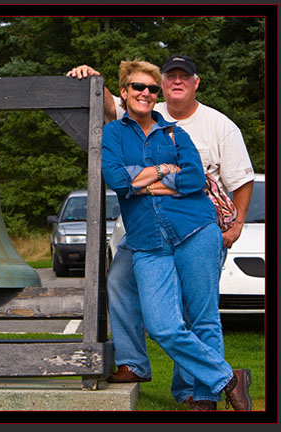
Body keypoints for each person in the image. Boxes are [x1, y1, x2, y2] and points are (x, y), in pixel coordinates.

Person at [69, 55, 255, 410]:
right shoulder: (113, 132)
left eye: (152, 88)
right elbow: (117, 179)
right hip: (147, 241)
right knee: (162, 324)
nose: (147, 92)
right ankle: (229, 377)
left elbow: (195, 179)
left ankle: (203, 396)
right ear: (125, 92)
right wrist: (162, 172)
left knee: (202, 316)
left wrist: (145, 179)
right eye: (139, 86)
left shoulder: (181, 130)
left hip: (195, 229)